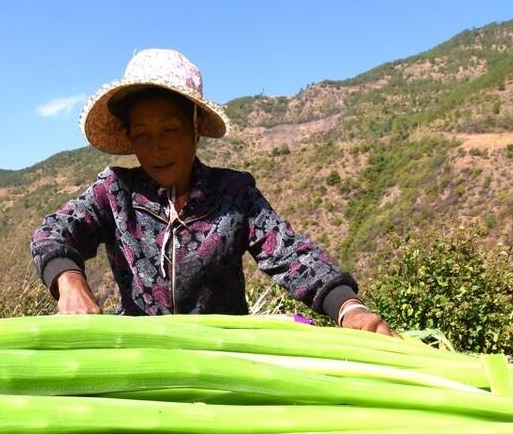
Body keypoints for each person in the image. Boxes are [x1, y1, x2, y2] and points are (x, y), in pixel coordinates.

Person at [29, 48, 395, 335]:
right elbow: (52, 232)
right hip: (142, 361)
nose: (156, 147)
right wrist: (69, 280)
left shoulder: (233, 194)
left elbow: (291, 255)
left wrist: (349, 307)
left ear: (195, 126)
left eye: (169, 129)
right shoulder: (115, 193)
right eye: (142, 134)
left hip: (223, 359)